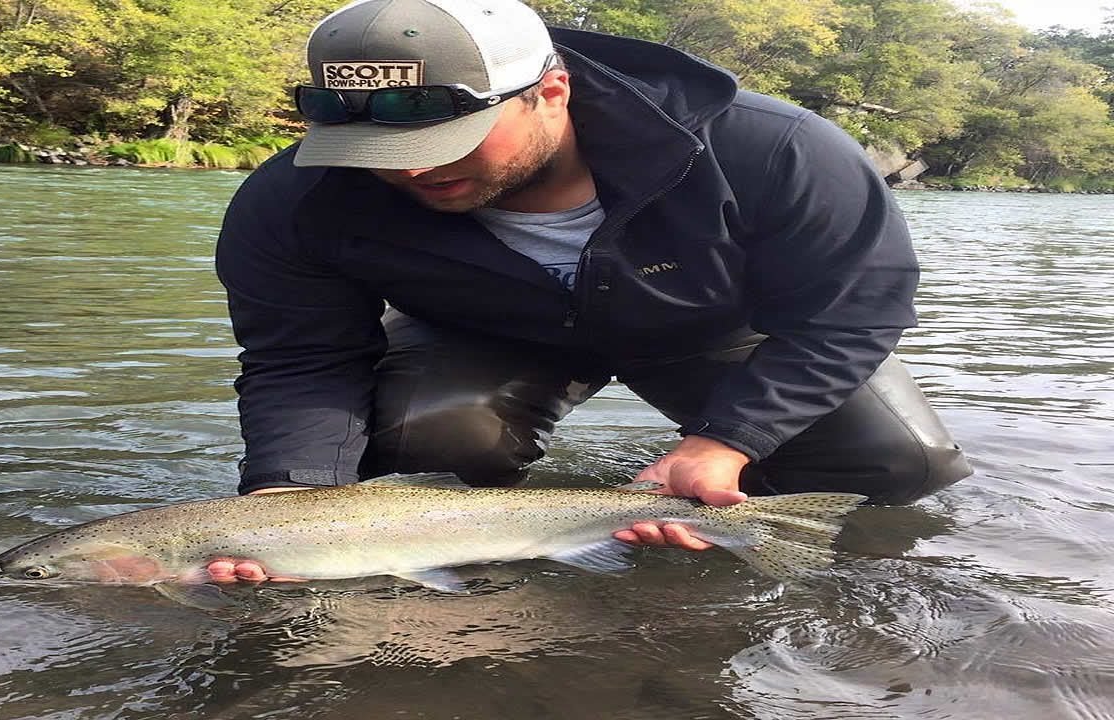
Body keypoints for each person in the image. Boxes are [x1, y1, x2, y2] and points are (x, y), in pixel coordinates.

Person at [209, 0, 972, 582]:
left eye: (444, 140)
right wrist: (289, 497)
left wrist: (727, 442)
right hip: (488, 330)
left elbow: (853, 312)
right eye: (375, 150)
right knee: (423, 441)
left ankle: (723, 489)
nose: (407, 171)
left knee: (901, 466)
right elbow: (301, 359)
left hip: (709, 331)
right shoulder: (296, 201)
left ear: (551, 90)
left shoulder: (771, 149)